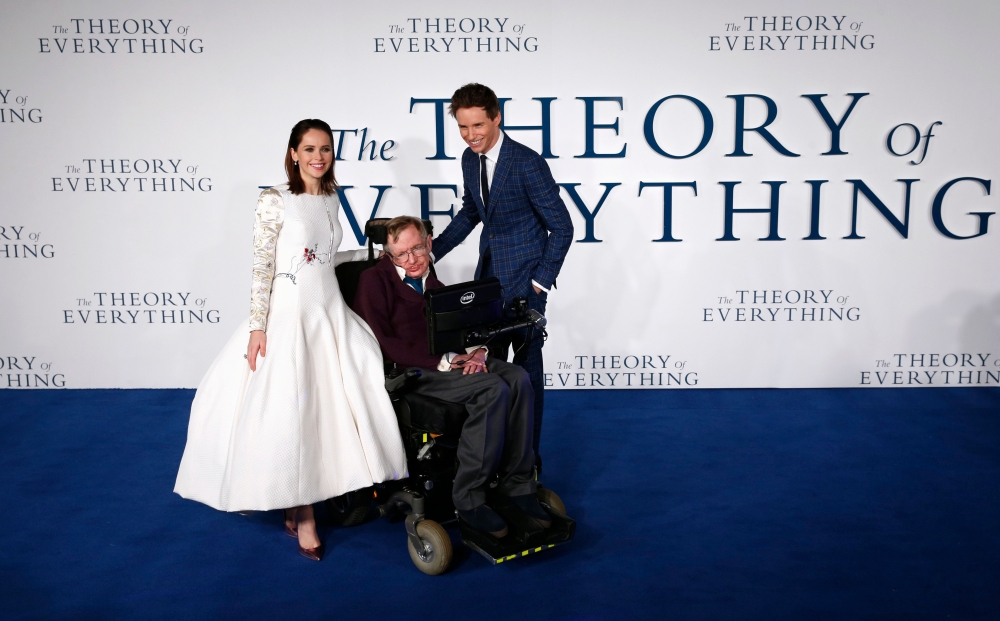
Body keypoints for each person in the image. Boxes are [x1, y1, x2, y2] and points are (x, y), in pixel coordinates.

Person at [174, 119, 407, 561]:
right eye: (309, 149)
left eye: (325, 149)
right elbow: (264, 265)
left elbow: (323, 256)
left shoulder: (333, 198)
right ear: (294, 153)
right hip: (289, 317)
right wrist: (259, 326)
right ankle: (303, 514)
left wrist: (369, 257)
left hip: (329, 313)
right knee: (295, 413)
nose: (318, 156)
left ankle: (330, 488)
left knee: (336, 406)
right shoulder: (274, 200)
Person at [352, 216, 552, 538]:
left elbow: (458, 326)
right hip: (413, 371)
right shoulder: (375, 282)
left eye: (417, 248)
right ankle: (469, 498)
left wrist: (478, 351)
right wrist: (447, 360)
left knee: (516, 378)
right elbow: (383, 343)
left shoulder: (430, 279)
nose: (412, 259)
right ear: (388, 255)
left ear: (428, 243)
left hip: (446, 360)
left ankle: (517, 485)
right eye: (401, 254)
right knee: (491, 389)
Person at [431, 83, 574, 470]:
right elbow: (472, 213)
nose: (471, 134)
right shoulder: (468, 159)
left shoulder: (526, 162)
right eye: (462, 127)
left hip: (527, 286)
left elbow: (562, 227)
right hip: (489, 284)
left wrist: (539, 284)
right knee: (489, 375)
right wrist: (431, 252)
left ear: (496, 117)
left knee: (526, 377)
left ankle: (528, 463)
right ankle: (493, 459)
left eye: (478, 125)